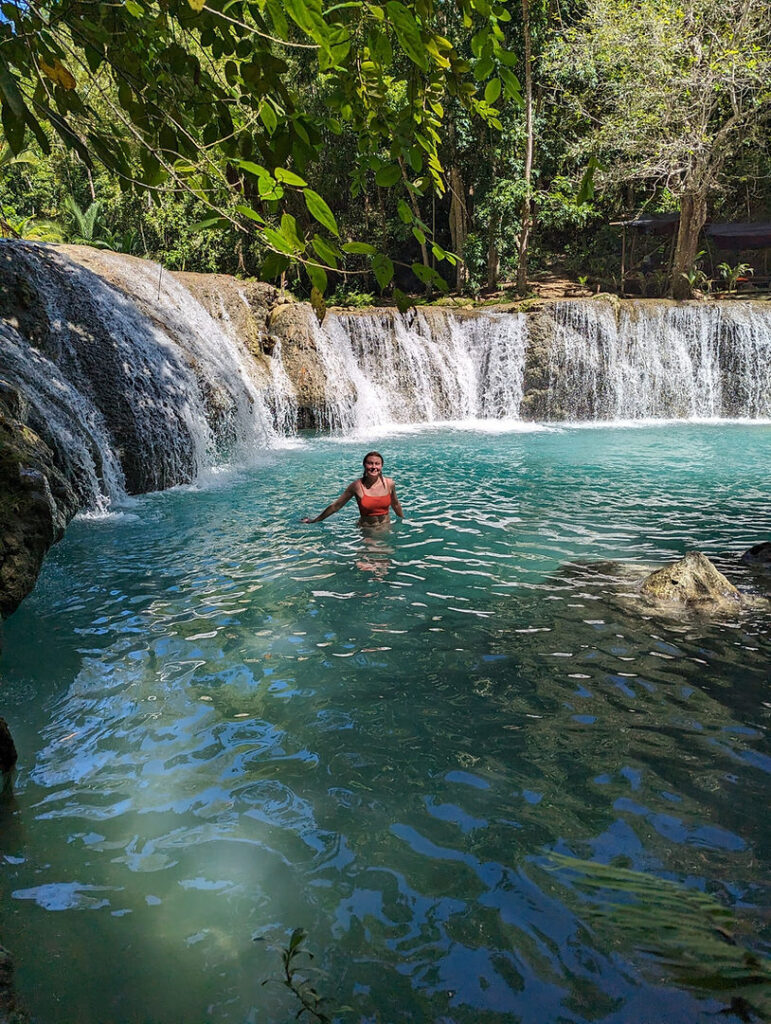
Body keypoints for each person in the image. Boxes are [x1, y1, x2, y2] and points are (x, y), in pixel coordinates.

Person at [301, 451, 404, 527]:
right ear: (364, 465)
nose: (374, 467)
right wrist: (315, 520)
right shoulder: (356, 486)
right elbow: (336, 506)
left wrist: (403, 522)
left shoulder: (389, 483)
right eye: (370, 463)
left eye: (377, 464)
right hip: (367, 530)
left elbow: (395, 504)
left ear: (381, 466)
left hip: (386, 528)